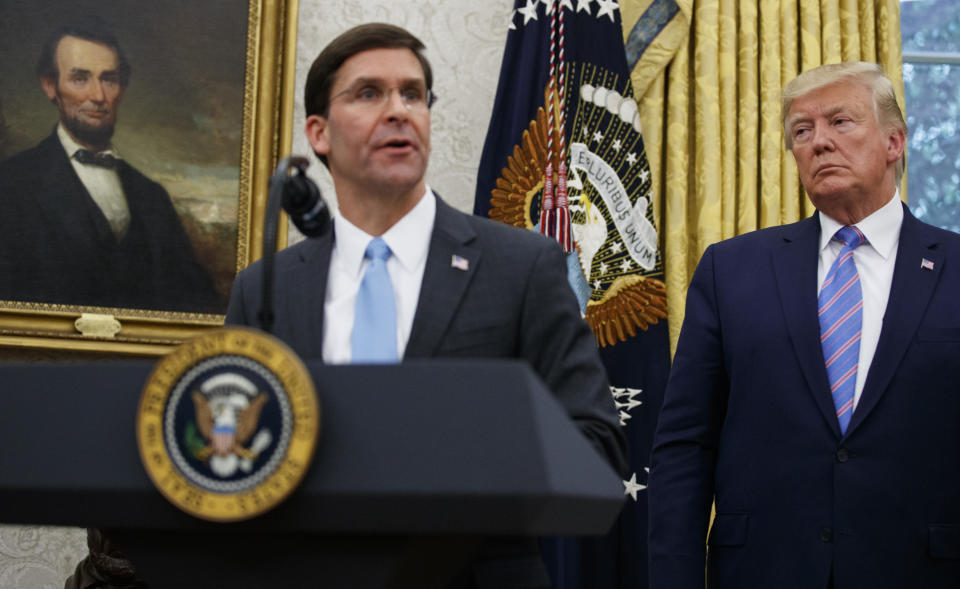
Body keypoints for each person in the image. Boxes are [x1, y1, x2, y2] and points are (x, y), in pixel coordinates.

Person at [225, 22, 627, 588]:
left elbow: (597, 447)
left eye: (412, 94)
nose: (399, 110)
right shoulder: (266, 287)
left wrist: (450, 449)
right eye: (369, 93)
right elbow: (237, 456)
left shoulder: (523, 266)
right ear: (318, 133)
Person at [647, 61, 960, 589]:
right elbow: (685, 445)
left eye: (840, 122)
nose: (819, 142)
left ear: (894, 142)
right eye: (802, 130)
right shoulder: (732, 269)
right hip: (763, 572)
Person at [0, 19, 218, 312]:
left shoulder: (152, 197)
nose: (98, 96)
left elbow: (199, 306)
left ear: (122, 89)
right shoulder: (11, 185)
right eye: (80, 78)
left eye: (109, 79)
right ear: (50, 85)